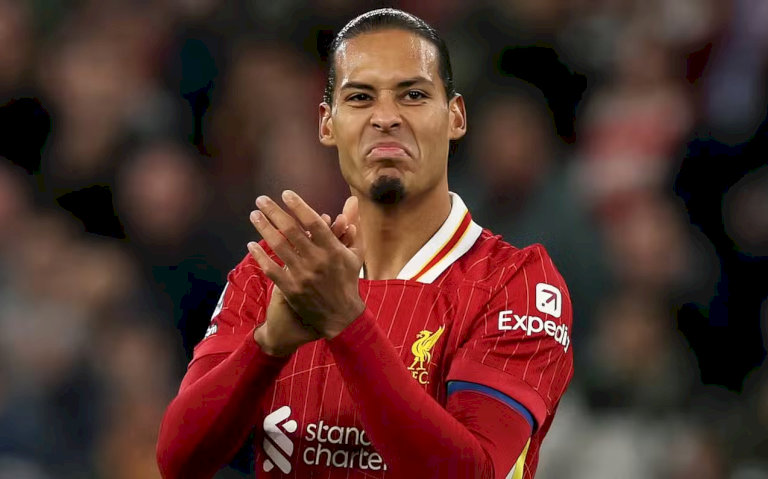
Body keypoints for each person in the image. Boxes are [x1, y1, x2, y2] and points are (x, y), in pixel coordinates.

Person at [156, 8, 573, 478]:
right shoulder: (280, 269)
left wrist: (345, 324)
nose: (386, 118)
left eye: (413, 95)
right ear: (327, 124)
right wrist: (268, 346)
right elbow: (180, 460)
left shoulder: (515, 284)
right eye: (360, 97)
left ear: (455, 116)